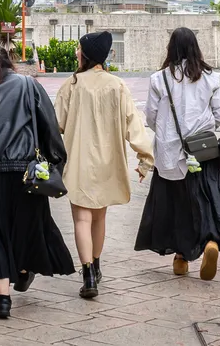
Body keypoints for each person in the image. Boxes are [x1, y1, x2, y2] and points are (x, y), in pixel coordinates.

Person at [0, 46, 75, 320]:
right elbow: (48, 124)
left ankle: (2, 300)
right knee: (26, 225)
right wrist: (56, 162)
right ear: (10, 62)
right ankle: (23, 270)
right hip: (24, 170)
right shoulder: (28, 84)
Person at [134, 27, 220, 280]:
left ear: (171, 48)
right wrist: (203, 129)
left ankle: (181, 258)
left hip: (170, 154)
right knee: (207, 197)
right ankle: (210, 242)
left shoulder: (159, 79)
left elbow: (151, 116)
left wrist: (167, 133)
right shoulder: (210, 77)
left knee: (175, 205)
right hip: (202, 151)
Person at [54, 31, 155, 299]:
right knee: (99, 217)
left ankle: (87, 274)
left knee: (81, 218)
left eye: (78, 48)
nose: (76, 52)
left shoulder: (72, 85)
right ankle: (96, 267)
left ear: (86, 54)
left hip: (79, 161)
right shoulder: (117, 85)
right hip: (108, 161)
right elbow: (134, 124)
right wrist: (145, 159)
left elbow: (56, 125)